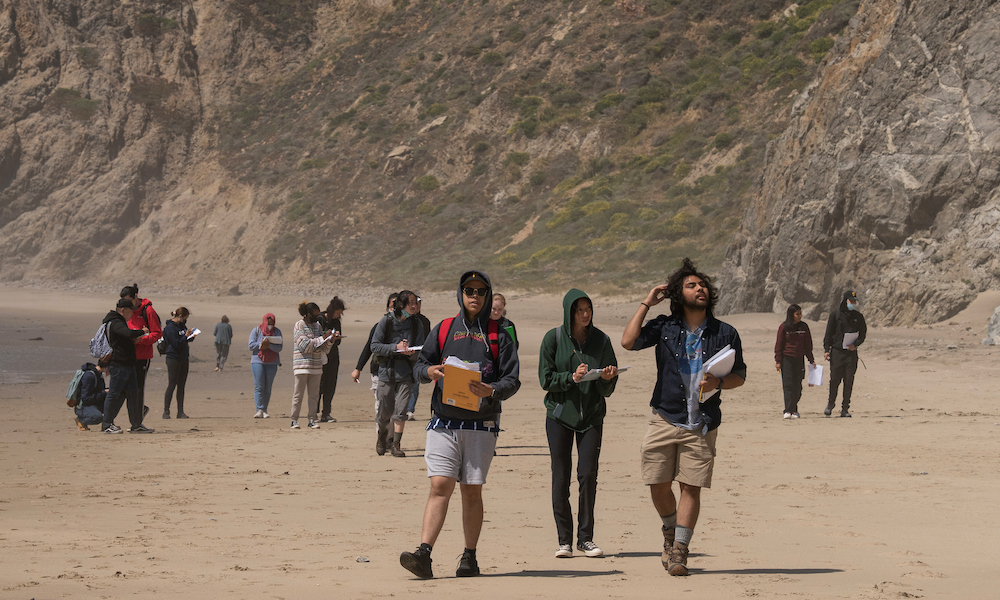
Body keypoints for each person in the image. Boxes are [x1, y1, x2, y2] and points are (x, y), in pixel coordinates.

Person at [621, 258, 746, 577]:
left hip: (703, 422)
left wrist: (718, 382)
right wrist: (646, 303)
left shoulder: (725, 332)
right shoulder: (665, 327)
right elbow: (628, 341)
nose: (700, 288)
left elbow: (740, 376)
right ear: (678, 294)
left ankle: (679, 550)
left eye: (703, 284)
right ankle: (669, 531)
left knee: (691, 487)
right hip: (664, 416)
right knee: (657, 483)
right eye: (691, 285)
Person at [399, 270, 520, 579]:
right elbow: (421, 365)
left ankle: (470, 556)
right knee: (440, 485)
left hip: (481, 424)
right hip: (443, 421)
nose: (475, 296)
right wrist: (431, 373)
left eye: (481, 291)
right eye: (469, 290)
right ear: (461, 293)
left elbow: (512, 379)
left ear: (488, 295)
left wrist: (491, 390)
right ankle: (423, 554)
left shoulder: (499, 334)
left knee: (471, 491)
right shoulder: (443, 330)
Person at [539, 289, 618, 559]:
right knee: (561, 478)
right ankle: (564, 541)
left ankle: (586, 539)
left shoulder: (602, 340)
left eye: (588, 309)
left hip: (592, 417)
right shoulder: (554, 338)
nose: (585, 314)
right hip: (559, 416)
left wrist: (607, 378)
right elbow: (545, 380)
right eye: (580, 310)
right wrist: (571, 378)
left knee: (587, 475)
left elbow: (608, 389)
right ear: (569, 312)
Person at [370, 290, 428, 456]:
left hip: (406, 373)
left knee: (401, 410)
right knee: (384, 412)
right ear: (401, 305)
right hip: (386, 372)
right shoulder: (386, 322)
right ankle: (382, 437)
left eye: (415, 302)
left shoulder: (417, 324)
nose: (414, 305)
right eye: (411, 302)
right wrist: (395, 347)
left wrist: (411, 352)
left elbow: (421, 348)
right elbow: (374, 346)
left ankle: (396, 444)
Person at [102, 298, 154, 434]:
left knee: (133, 394)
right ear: (123, 310)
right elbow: (127, 333)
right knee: (114, 394)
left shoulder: (120, 322)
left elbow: (125, 338)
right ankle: (107, 424)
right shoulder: (115, 322)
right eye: (130, 311)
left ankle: (136, 425)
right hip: (119, 365)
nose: (132, 314)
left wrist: (134, 338)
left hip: (128, 365)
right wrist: (142, 332)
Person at [352, 293, 398, 437]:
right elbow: (368, 348)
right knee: (381, 403)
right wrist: (358, 368)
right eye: (392, 306)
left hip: (398, 371)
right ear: (387, 307)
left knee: (395, 406)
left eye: (397, 306)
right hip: (379, 370)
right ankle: (381, 435)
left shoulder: (406, 328)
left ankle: (390, 437)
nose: (394, 309)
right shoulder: (379, 326)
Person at [290, 302, 336, 429]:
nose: (318, 316)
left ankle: (312, 419)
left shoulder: (318, 326)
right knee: (298, 394)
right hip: (301, 366)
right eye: (315, 313)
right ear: (309, 314)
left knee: (314, 395)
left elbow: (323, 348)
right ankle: (294, 419)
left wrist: (330, 340)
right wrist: (322, 339)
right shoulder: (299, 325)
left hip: (316, 366)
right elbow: (304, 346)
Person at [120, 284, 162, 421]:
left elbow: (156, 334)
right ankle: (137, 414)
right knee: (124, 389)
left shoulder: (148, 311)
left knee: (137, 389)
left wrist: (140, 340)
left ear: (135, 297)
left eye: (128, 301)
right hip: (126, 356)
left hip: (142, 357)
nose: (127, 305)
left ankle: (137, 421)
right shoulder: (125, 311)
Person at [822, 290, 866, 418]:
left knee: (849, 381)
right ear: (845, 300)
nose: (853, 304)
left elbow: (863, 334)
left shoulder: (858, 317)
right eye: (850, 301)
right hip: (837, 352)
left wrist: (855, 344)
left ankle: (845, 408)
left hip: (851, 354)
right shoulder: (835, 315)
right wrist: (826, 350)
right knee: (835, 380)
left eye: (854, 301)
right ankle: (830, 404)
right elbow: (828, 334)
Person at [774, 304, 815, 419]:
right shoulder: (784, 327)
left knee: (798, 386)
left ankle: (794, 409)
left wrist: (811, 360)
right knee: (788, 385)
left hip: (799, 359)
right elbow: (779, 345)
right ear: (791, 315)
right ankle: (788, 410)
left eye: (800, 314)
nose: (800, 316)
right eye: (797, 314)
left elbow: (808, 345)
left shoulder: (804, 327)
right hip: (787, 359)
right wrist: (778, 361)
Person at [163, 307, 196, 419]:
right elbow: (176, 343)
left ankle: (180, 411)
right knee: (172, 385)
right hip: (173, 358)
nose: (186, 320)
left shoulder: (182, 325)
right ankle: (166, 411)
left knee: (181, 385)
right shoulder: (170, 328)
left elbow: (184, 339)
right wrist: (185, 336)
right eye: (185, 317)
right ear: (180, 316)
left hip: (183, 358)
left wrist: (191, 336)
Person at [318, 297, 346, 423]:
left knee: (331, 385)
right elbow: (317, 338)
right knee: (319, 385)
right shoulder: (320, 319)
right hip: (321, 357)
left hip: (333, 356)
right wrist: (327, 336)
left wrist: (336, 338)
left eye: (340, 314)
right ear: (332, 310)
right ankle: (314, 412)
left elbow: (338, 342)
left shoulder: (337, 322)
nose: (338, 316)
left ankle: (326, 413)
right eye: (337, 313)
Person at [249, 313, 282, 418]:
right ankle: (259, 409)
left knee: (268, 387)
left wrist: (270, 345)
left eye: (272, 323)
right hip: (257, 361)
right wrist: (261, 345)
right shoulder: (256, 331)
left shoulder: (277, 332)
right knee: (259, 386)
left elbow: (279, 347)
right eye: (268, 323)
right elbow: (251, 345)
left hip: (272, 362)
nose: (270, 325)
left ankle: (264, 409)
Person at [405, 294, 432, 421]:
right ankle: (401, 409)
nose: (416, 306)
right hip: (403, 356)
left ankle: (410, 410)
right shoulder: (404, 320)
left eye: (419, 303)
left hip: (418, 356)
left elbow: (428, 340)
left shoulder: (424, 321)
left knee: (415, 384)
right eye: (414, 303)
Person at [72, 362, 108, 431]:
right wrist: (104, 392)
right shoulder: (89, 376)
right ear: (106, 368)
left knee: (113, 396)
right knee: (97, 417)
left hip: (93, 402)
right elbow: (85, 398)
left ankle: (107, 424)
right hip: (82, 406)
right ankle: (81, 420)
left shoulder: (99, 375)